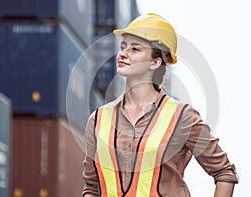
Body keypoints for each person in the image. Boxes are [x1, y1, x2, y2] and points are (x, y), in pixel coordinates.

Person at [82, 13, 239, 197]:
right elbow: (92, 188)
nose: (123, 53)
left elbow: (224, 172)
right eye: (123, 46)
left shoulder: (182, 117)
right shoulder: (98, 120)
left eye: (135, 49)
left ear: (155, 62)